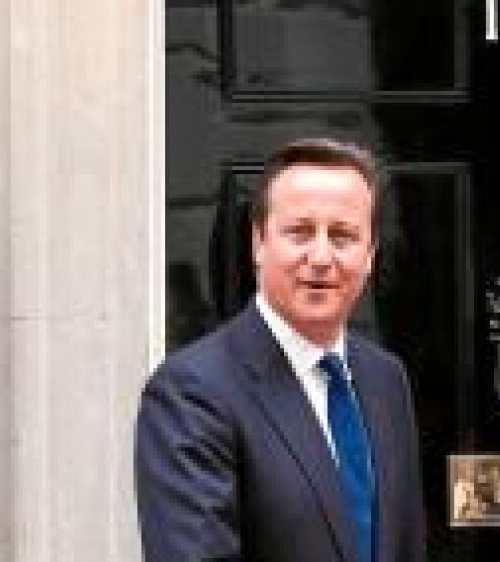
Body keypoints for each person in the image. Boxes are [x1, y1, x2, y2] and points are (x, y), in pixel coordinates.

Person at [135, 138, 426, 562]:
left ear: (370, 255)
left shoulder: (386, 380)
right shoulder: (191, 393)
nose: (321, 256)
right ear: (259, 242)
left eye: (343, 236)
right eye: (300, 232)